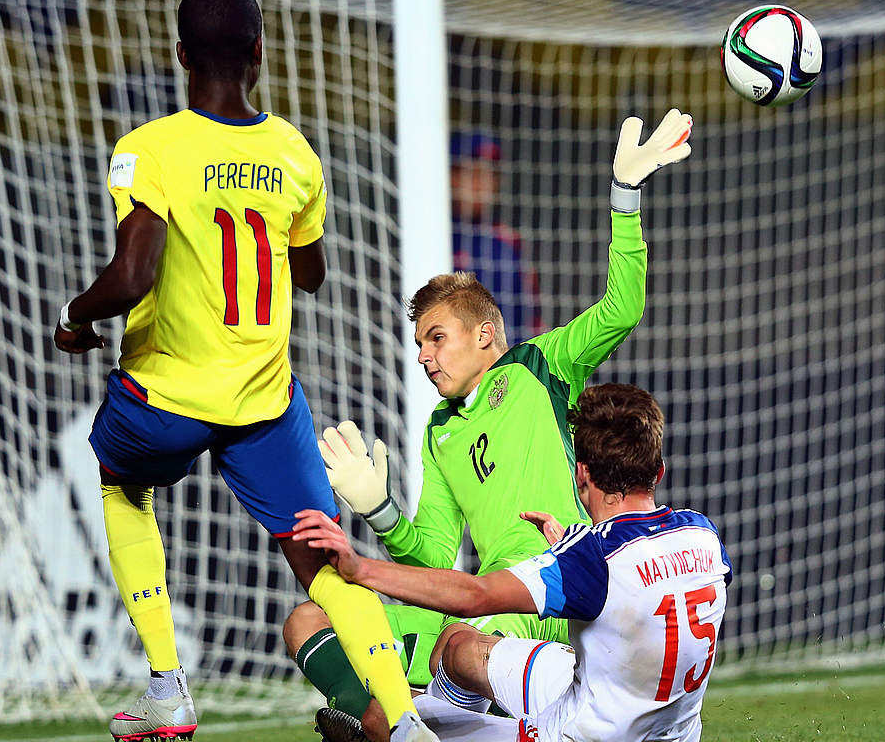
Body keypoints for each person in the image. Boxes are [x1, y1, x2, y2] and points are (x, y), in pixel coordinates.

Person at [51, 0, 434, 740]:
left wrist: (74, 316)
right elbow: (313, 274)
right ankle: (411, 722)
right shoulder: (293, 152)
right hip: (262, 402)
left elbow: (131, 276)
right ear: (260, 53)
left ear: (182, 55)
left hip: (165, 396)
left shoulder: (150, 147)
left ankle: (168, 689)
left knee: (121, 486)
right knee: (324, 553)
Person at [283, 109, 693, 740]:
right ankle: (388, 722)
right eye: (420, 343)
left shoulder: (541, 366)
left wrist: (625, 198)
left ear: (486, 335)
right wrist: (381, 511)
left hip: (551, 600)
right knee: (310, 620)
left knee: (446, 651)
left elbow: (623, 306)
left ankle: (389, 725)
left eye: (437, 338)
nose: (424, 355)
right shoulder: (439, 431)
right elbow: (432, 554)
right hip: (482, 602)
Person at [293, 383, 732, 742]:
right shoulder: (703, 534)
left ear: (580, 475)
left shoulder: (593, 558)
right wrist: (573, 547)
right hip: (650, 717)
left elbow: (476, 596)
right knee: (458, 647)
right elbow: (647, 586)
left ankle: (408, 719)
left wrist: (361, 568)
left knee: (382, 723)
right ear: (658, 471)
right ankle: (430, 709)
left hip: (580, 733)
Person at [449, 132, 543, 343]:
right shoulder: (431, 240)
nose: (482, 183)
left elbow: (532, 317)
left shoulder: (509, 241)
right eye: (473, 173)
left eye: (490, 174)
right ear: (451, 177)